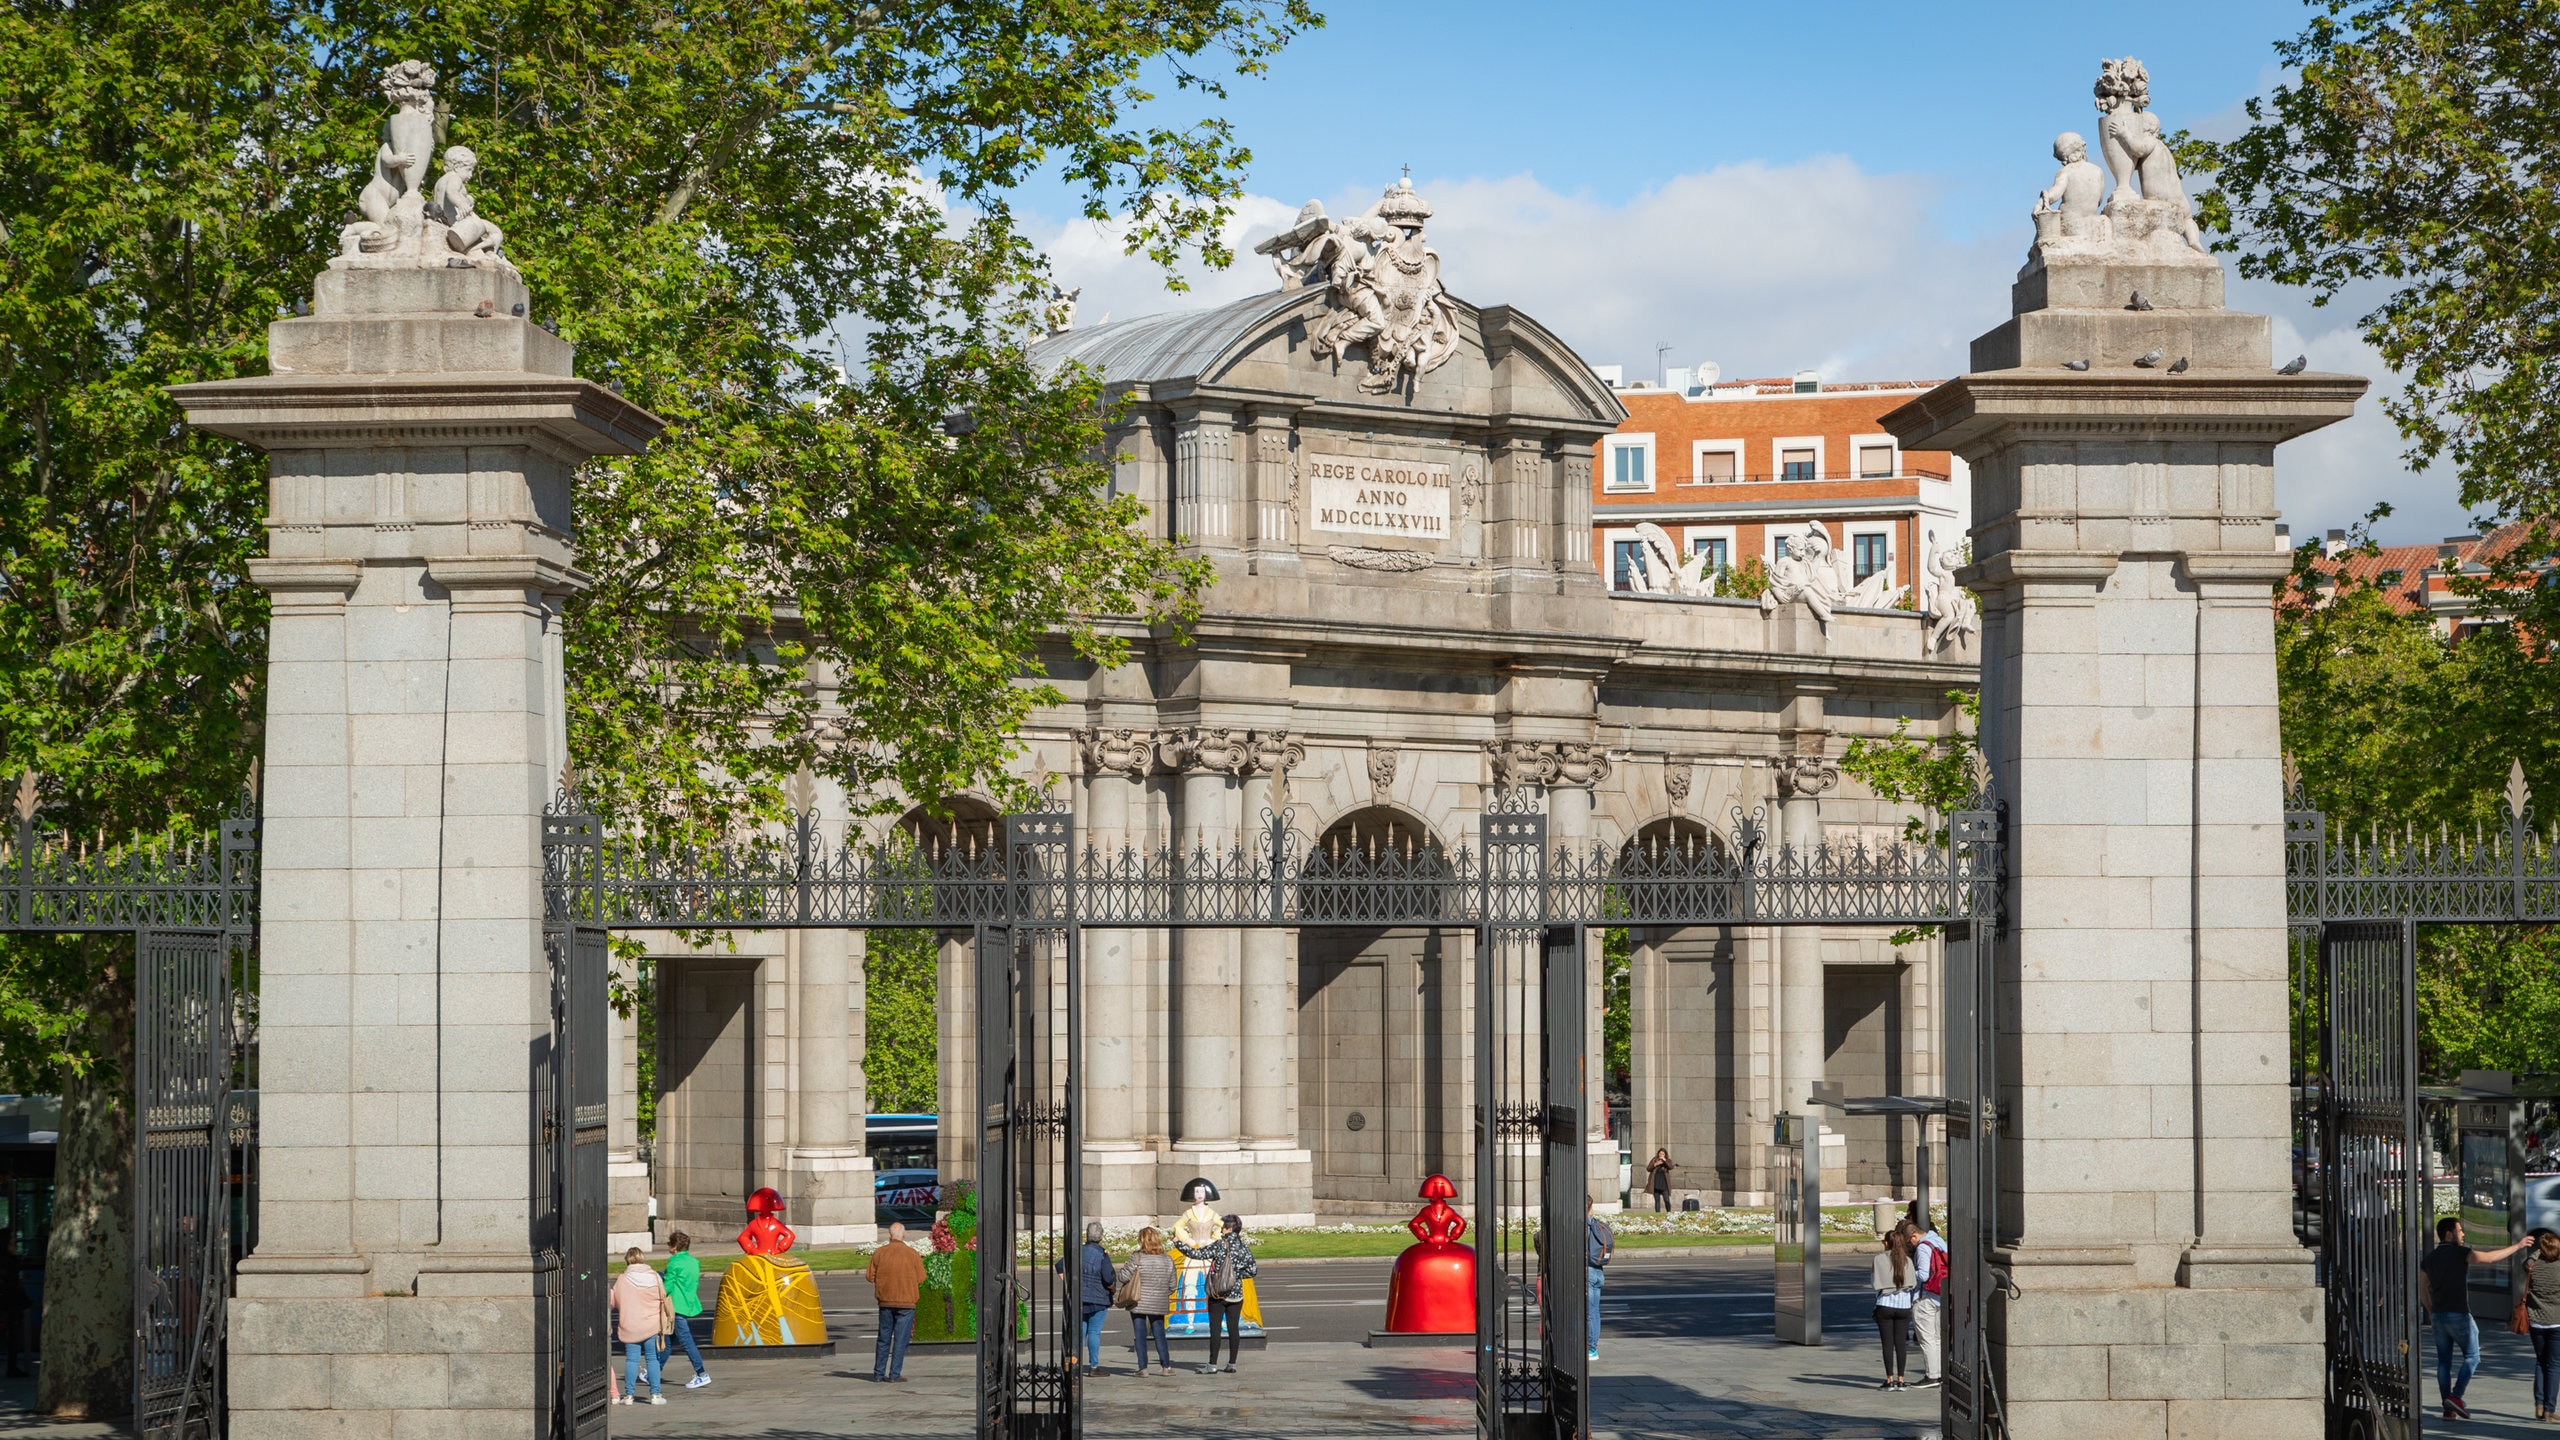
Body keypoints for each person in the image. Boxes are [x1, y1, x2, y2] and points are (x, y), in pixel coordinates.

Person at [2421, 1215, 2530, 1420]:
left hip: (2439, 1317)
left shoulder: (2430, 1258)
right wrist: (2517, 1246)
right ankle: (2456, 1396)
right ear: (2449, 1233)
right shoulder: (2460, 1253)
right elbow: (2489, 1258)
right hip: (2459, 1315)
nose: (2463, 1234)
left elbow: (2422, 1288)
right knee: (2472, 1356)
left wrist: (2430, 1310)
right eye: (2459, 1230)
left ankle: (2448, 1406)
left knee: (2443, 1362)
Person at [1173, 1213, 1259, 1374]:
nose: (1221, 1229)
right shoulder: (1244, 1248)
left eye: (1223, 1226)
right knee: (1234, 1329)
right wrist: (1236, 1276)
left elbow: (1197, 1254)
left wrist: (1178, 1244)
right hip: (1236, 1294)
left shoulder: (1220, 1245)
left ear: (1229, 1228)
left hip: (1217, 1293)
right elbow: (1253, 1271)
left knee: (1215, 1330)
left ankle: (1212, 1364)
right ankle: (1232, 1363)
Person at [609, 1248, 671, 1405]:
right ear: (642, 1259)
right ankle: (655, 1394)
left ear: (627, 1260)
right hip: (651, 1325)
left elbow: (613, 1301)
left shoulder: (622, 1279)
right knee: (652, 1359)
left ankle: (629, 1395)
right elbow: (663, 1297)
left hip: (630, 1325)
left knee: (631, 1360)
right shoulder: (655, 1277)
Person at [866, 1220, 926, 1383]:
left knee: (883, 1338)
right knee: (901, 1339)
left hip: (885, 1301)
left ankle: (878, 1374)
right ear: (904, 1235)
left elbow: (870, 1276)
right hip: (907, 1303)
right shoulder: (912, 1253)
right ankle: (894, 1374)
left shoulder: (880, 1253)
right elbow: (921, 1277)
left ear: (890, 1235)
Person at [1116, 1227, 1177, 1376]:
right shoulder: (1167, 1259)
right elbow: (1172, 1286)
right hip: (1159, 1303)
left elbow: (1123, 1277)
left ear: (1141, 1240)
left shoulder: (1137, 1257)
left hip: (1138, 1301)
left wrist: (1125, 1267)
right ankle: (1166, 1366)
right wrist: (1161, 1294)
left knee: (1140, 1335)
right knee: (1159, 1334)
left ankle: (1143, 1368)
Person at [661, 1231, 711, 1390]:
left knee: (686, 1341)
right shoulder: (694, 1262)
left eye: (670, 1244)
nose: (668, 1246)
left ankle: (701, 1373)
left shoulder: (673, 1263)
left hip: (675, 1305)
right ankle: (654, 1371)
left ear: (674, 1247)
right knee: (668, 1340)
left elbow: (667, 1286)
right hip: (687, 1303)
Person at [1872, 1225, 1919, 1390]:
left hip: (1885, 1304)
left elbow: (1874, 1282)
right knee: (1900, 1343)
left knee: (1887, 1343)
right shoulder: (1907, 1260)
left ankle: (1889, 1379)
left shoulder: (1879, 1259)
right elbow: (1913, 1282)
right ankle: (1901, 1379)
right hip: (1904, 1305)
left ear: (1887, 1243)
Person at [1908, 1206, 1946, 1390]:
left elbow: (1923, 1275)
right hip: (1940, 1295)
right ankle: (1939, 1373)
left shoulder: (1923, 1248)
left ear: (1914, 1236)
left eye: (1910, 1241)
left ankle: (1932, 1375)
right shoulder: (1939, 1241)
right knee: (1937, 1338)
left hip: (1926, 1298)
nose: (1911, 1245)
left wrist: (1908, 1273)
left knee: (1927, 1339)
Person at [1073, 1221, 1117, 1374]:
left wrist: (1069, 1283)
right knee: (1094, 1332)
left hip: (1080, 1297)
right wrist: (1112, 1289)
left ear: (1087, 1234)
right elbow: (1108, 1278)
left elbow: (1060, 1266)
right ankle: (1093, 1366)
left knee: (1081, 1332)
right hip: (1098, 1298)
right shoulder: (1102, 1255)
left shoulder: (1078, 1251)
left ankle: (1075, 1364)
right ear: (1101, 1236)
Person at [2528, 1229, 2560, 1421]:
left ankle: (2539, 1405)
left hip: (2536, 1321)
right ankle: (2549, 1409)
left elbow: (2527, 1261)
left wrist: (2537, 1252)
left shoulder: (2533, 1266)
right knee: (2554, 1365)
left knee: (2540, 1361)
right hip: (2556, 1322)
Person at [1584, 1196, 1615, 1362]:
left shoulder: (1582, 1226)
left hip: (1586, 1272)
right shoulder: (1597, 1224)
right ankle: (1592, 1348)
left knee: (1587, 1313)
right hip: (1598, 1272)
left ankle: (1589, 1349)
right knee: (1594, 1312)